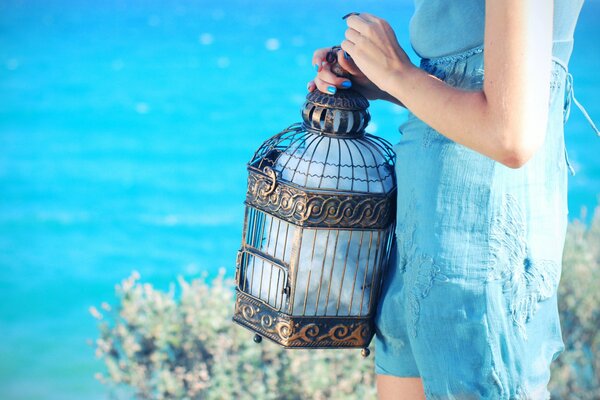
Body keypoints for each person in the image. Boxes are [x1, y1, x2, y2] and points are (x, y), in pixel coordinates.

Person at [308, 1, 598, 399]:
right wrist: (387, 81)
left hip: (480, 248)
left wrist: (398, 71)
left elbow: (510, 137)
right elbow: (477, 89)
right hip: (418, 235)